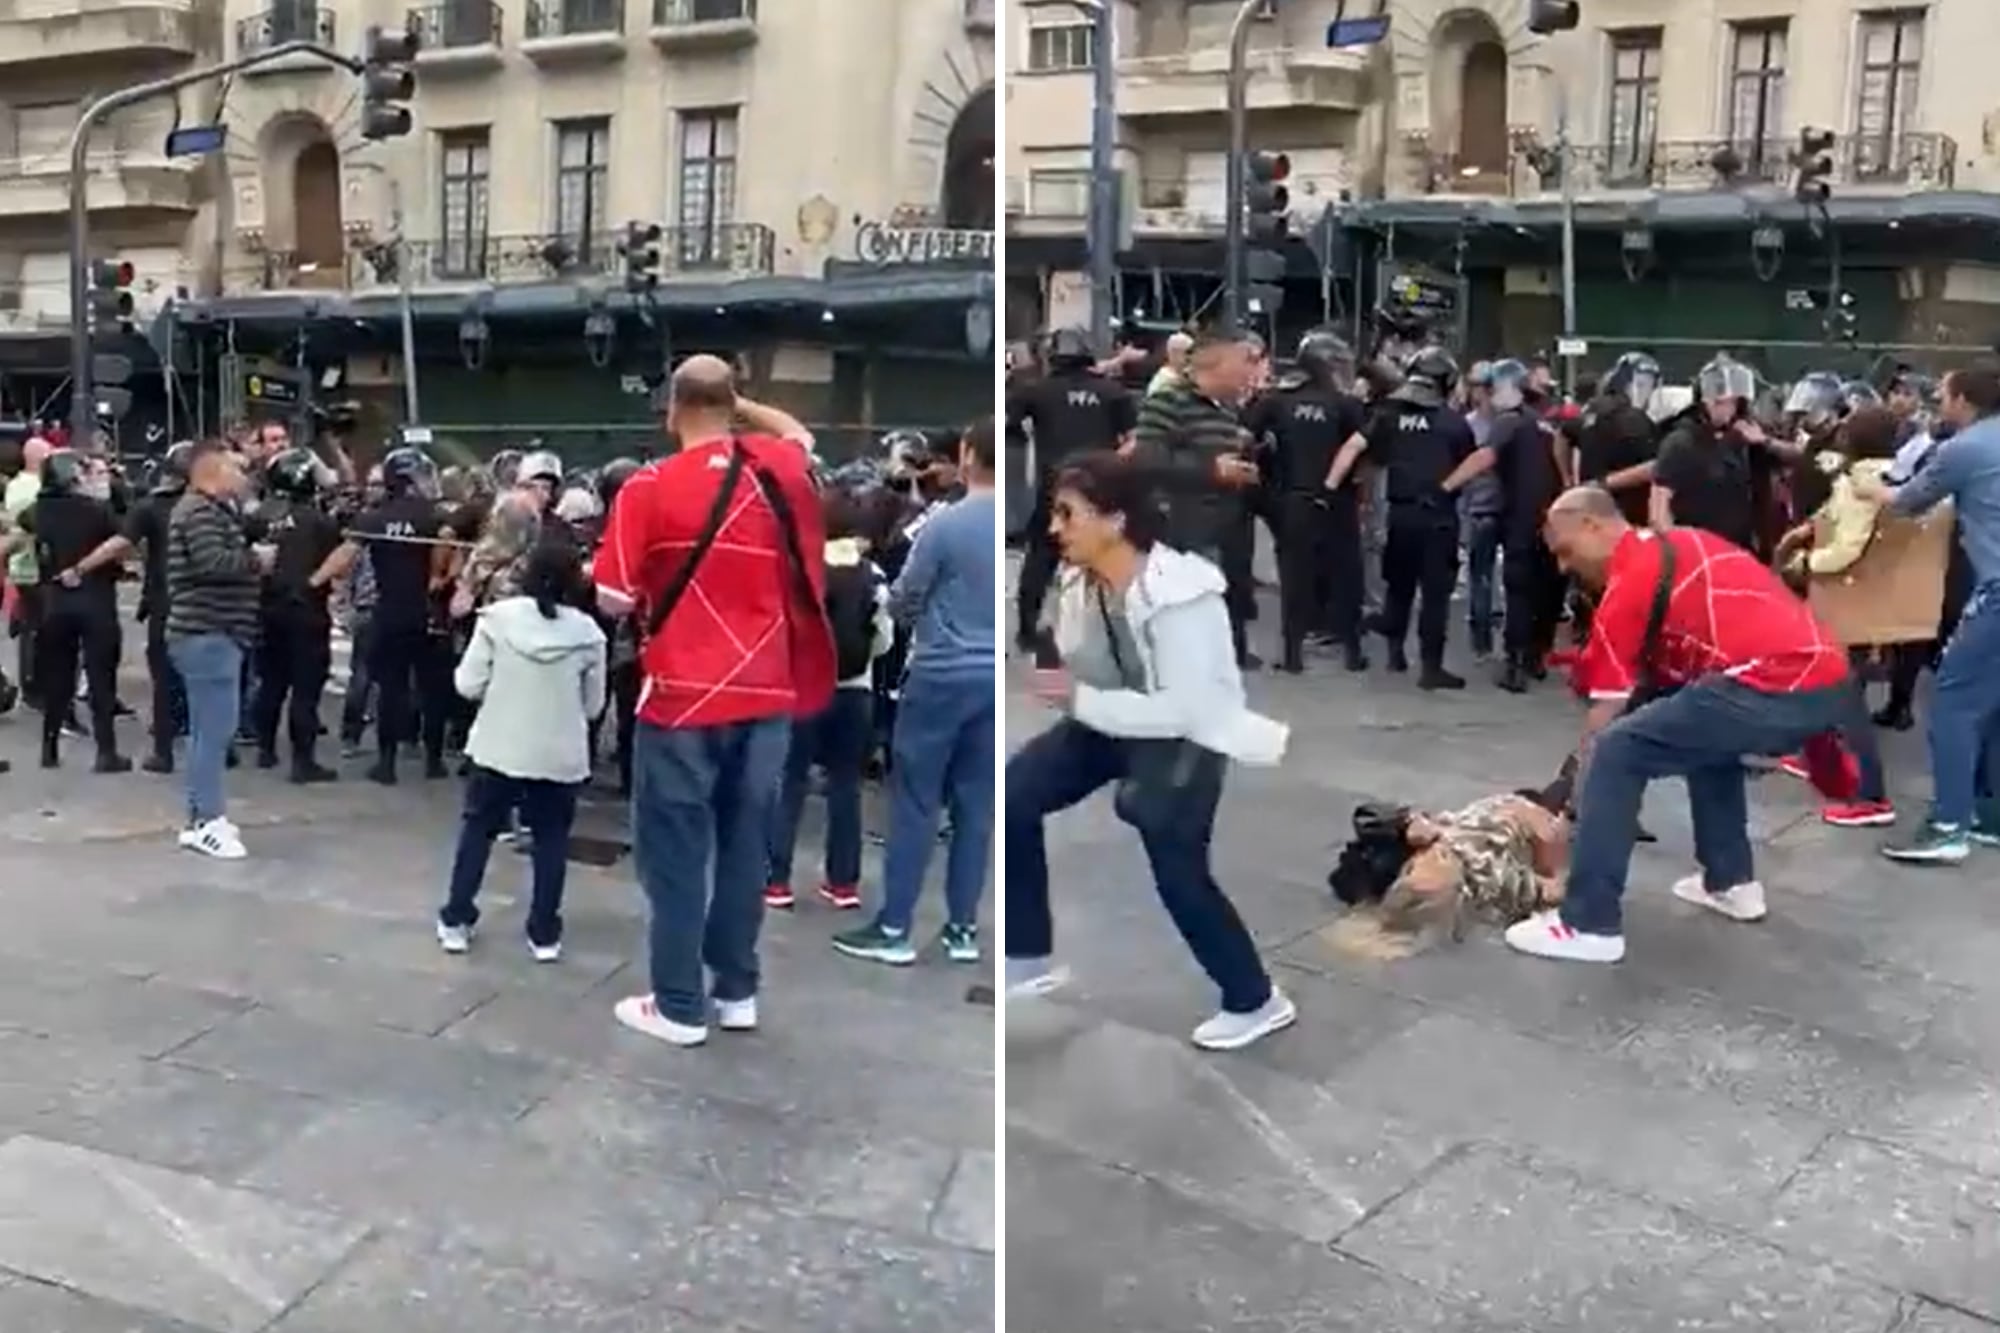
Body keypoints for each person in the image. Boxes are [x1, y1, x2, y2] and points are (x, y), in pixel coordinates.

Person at [1006, 451, 1293, 1050]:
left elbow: (1184, 710)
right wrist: (1061, 669)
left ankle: (1255, 999)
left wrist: (1077, 697)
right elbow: (1081, 659)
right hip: (1107, 720)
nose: (1055, 527)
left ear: (1114, 520)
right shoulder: (1079, 577)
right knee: (1015, 795)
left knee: (1180, 875)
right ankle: (1026, 953)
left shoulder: (1182, 595)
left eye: (1069, 514)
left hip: (1183, 737)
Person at [1503, 487, 1858, 964]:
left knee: (1616, 751)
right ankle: (1731, 883)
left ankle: (1588, 923)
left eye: (1565, 551)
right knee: (1708, 744)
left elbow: (1606, 713)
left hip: (1771, 681)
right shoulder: (1686, 542)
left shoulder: (1629, 583)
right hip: (1827, 680)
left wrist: (1574, 792)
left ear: (1592, 525)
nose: (1565, 567)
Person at [594, 355, 834, 1048]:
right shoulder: (776, 469)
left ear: (670, 410)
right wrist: (742, 407)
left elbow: (612, 596)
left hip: (680, 697)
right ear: (732, 405)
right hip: (766, 692)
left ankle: (677, 1003)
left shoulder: (647, 486)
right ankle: (736, 990)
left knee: (674, 855)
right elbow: (801, 436)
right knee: (743, 849)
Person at [832, 418, 996, 967]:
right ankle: (962, 930)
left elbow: (904, 600)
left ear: (969, 456)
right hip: (990, 675)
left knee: (917, 802)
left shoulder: (946, 526)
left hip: (940, 672)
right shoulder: (1017, 522)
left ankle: (896, 925)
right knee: (975, 807)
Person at [436, 540, 607, 960]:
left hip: (499, 744)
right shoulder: (588, 635)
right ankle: (544, 932)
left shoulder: (498, 620)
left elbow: (467, 684)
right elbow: (593, 706)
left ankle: (457, 917)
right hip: (559, 754)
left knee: (478, 831)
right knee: (551, 841)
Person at [1859, 360, 2000, 863]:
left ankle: (1948, 826)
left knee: (1954, 705)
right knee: (1994, 705)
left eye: (1943, 392)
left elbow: (1906, 501)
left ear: (1964, 400)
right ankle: (1989, 815)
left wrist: (1870, 487)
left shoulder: (1964, 448)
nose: (1938, 400)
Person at [767, 483, 894, 912]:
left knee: (790, 783)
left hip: (803, 689)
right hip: (854, 692)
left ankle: (777, 880)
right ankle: (843, 883)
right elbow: (885, 639)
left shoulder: (800, 569)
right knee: (845, 787)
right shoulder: (871, 575)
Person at [1326, 345, 1474, 689]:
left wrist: (1331, 487)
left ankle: (1395, 656)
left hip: (1400, 515)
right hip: (1438, 518)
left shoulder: (1387, 414)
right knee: (1435, 596)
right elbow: (1471, 463)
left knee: (1399, 588)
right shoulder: (1452, 422)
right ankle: (1431, 669)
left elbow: (1354, 447)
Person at [1131, 330, 1263, 666]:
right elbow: (1147, 459)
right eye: (1242, 364)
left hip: (1225, 520)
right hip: (1183, 523)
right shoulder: (1167, 400)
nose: (1250, 372)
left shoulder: (1227, 410)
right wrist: (1212, 470)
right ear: (1213, 365)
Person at [165, 441, 270, 860]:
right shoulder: (199, 513)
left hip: (211, 633)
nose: (242, 475)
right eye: (235, 467)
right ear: (214, 471)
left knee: (206, 732)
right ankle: (208, 820)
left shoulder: (206, 510)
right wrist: (255, 560)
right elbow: (212, 563)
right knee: (213, 733)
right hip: (208, 633)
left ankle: (200, 817)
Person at [1247, 328, 1370, 673]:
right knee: (1346, 576)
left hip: (1292, 500)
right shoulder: (1345, 404)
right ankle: (1353, 653)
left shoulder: (1276, 400)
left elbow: (1246, 439)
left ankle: (1292, 656)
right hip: (1336, 500)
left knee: (1294, 578)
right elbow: (1362, 448)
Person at [1008, 326, 1137, 649]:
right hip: (1100, 486)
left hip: (1055, 486)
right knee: (1105, 557)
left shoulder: (1036, 390)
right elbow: (1133, 441)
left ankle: (1027, 630)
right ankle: (1109, 630)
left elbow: (1008, 425)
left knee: (1040, 558)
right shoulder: (1112, 392)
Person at [1442, 358, 1566, 691]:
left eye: (1493, 388)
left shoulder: (1509, 422)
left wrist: (1446, 486)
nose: (1489, 395)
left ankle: (1514, 667)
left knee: (1519, 591)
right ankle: (1536, 656)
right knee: (1544, 591)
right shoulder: (1542, 424)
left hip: (1521, 520)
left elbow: (1485, 457)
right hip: (1550, 518)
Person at [27, 450, 130, 772]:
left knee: (58, 676)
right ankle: (106, 751)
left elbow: (25, 528)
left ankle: (50, 747)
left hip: (55, 598)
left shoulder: (38, 510)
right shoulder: (96, 511)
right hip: (95, 597)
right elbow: (124, 537)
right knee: (101, 677)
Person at [5, 436, 49, 712]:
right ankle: (35, 687)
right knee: (38, 630)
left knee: (29, 628)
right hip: (34, 565)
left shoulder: (14, 484)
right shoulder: (36, 488)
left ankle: (31, 683)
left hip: (20, 565)